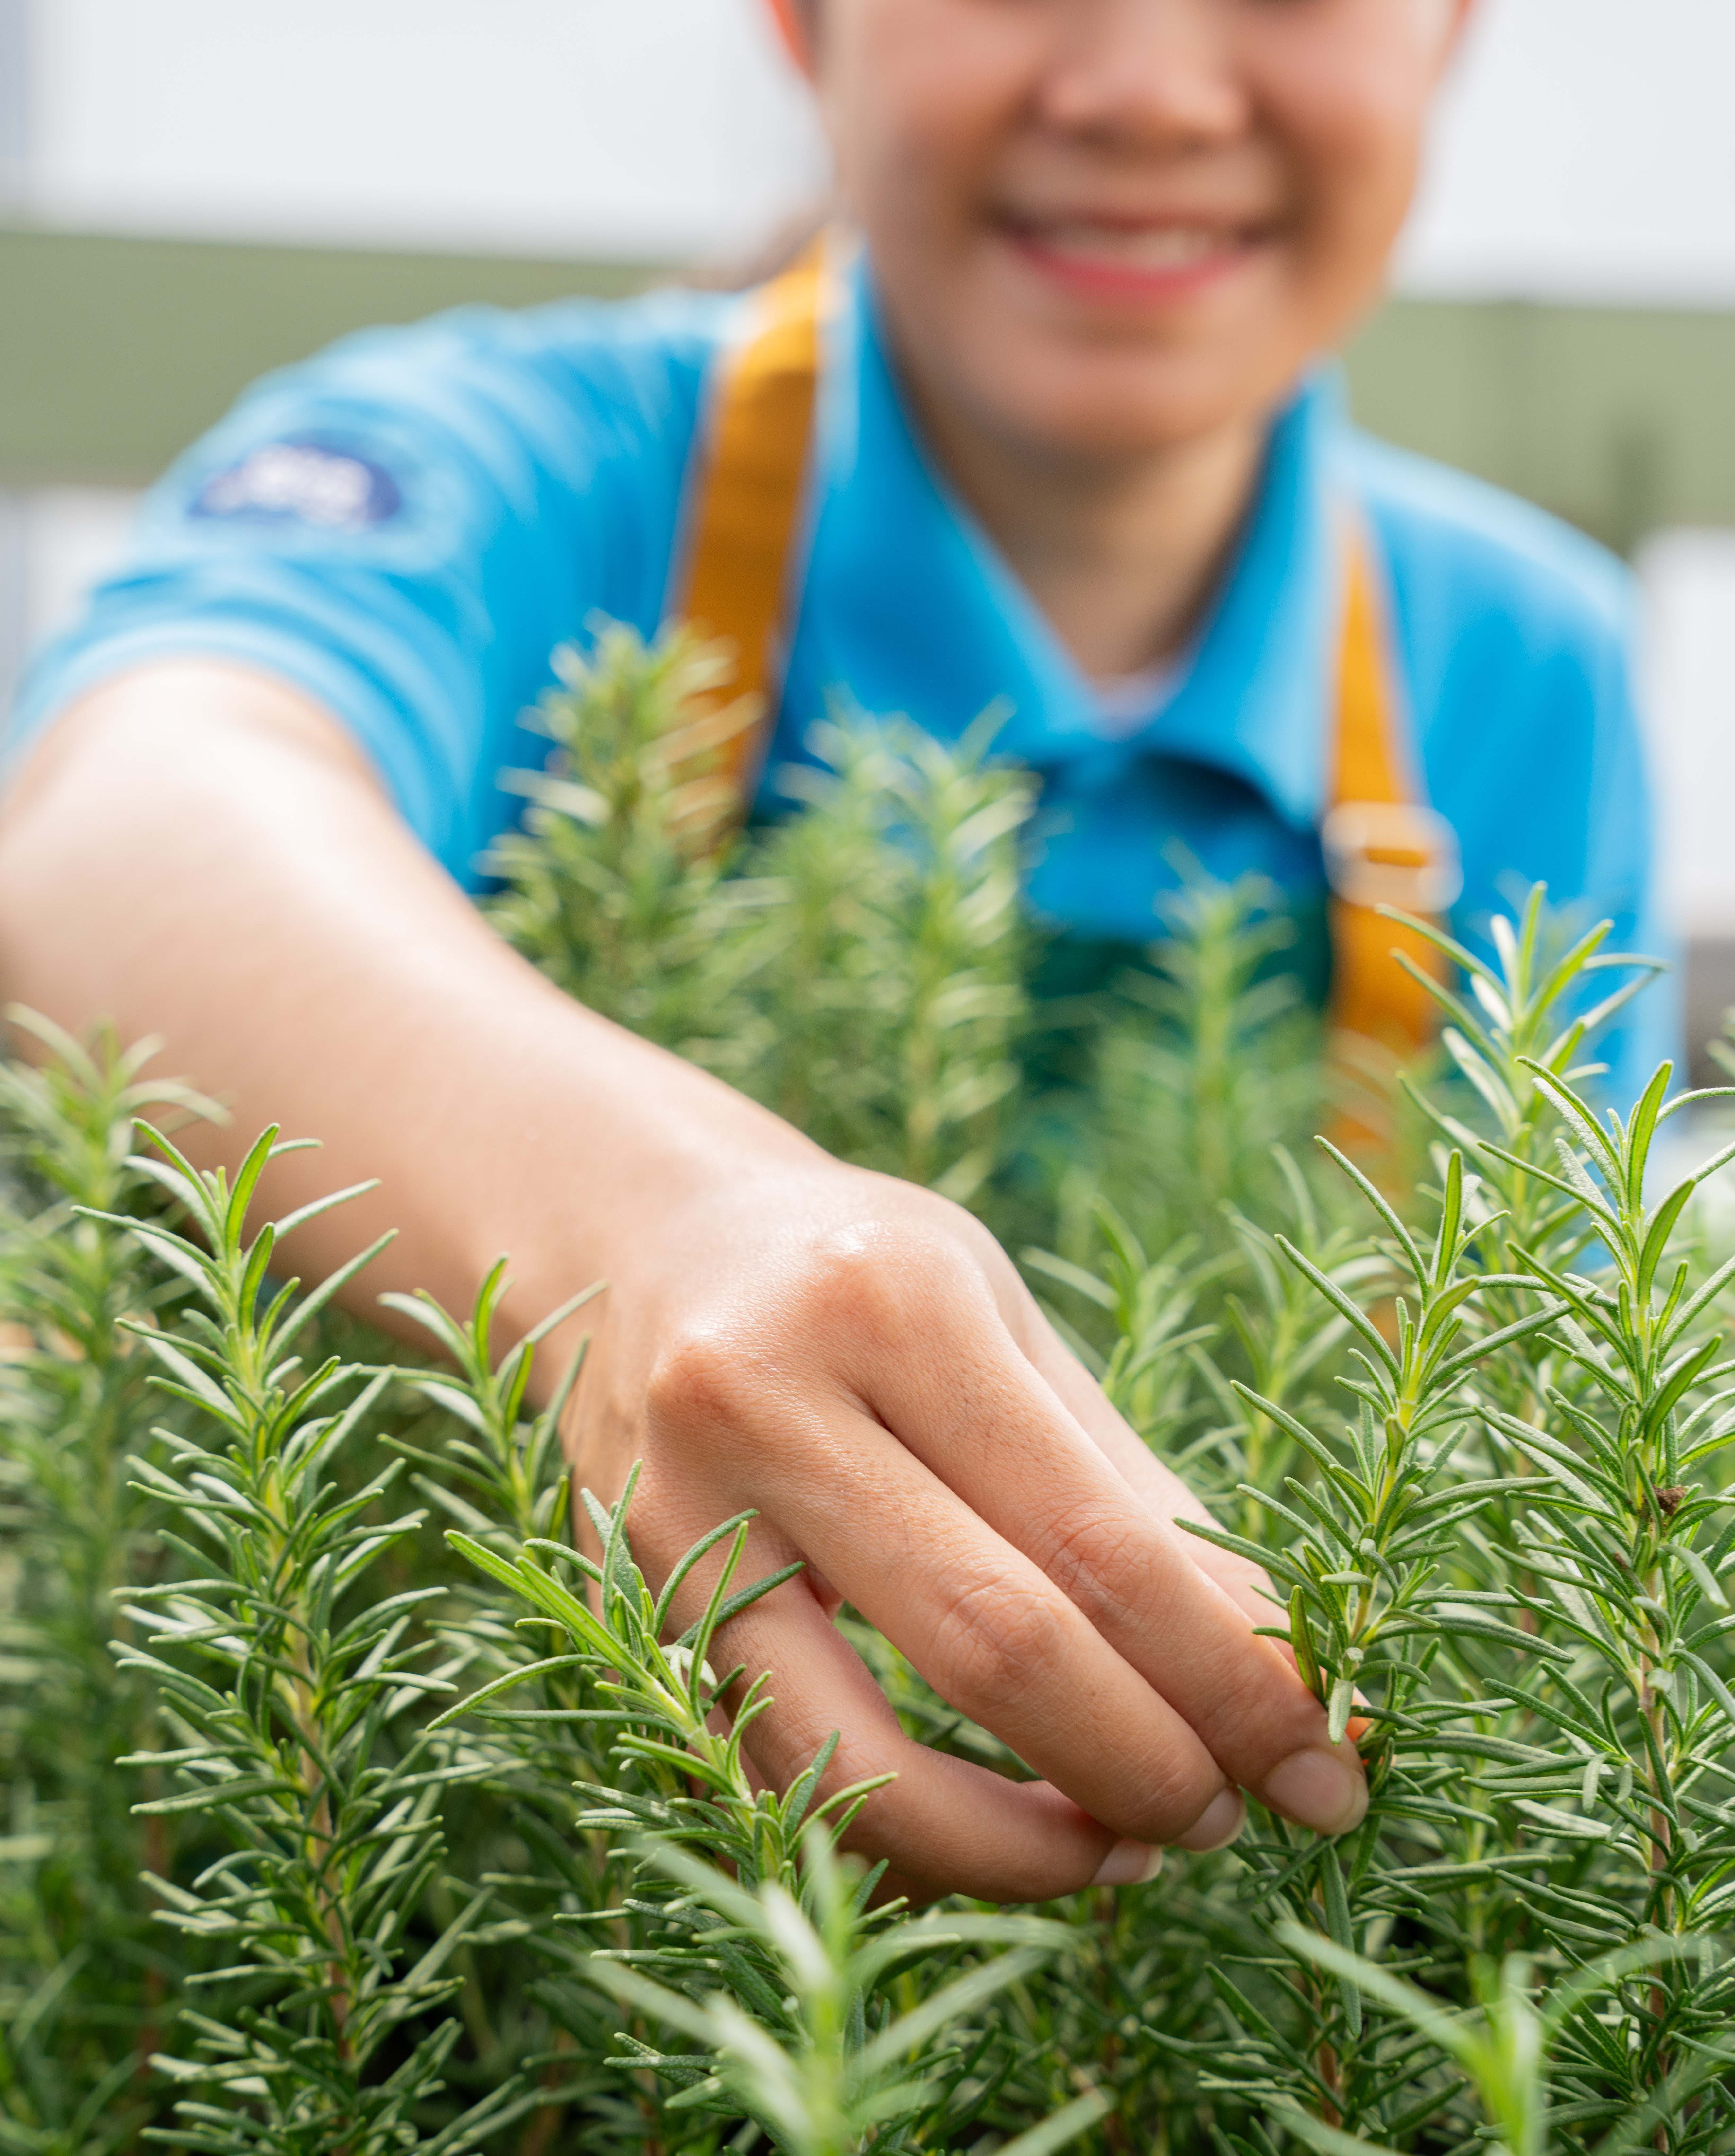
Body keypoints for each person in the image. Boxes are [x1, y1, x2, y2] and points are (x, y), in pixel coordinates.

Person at [0, 0, 1671, 1904]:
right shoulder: (519, 470)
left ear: (1447, 36)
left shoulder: (1518, 660)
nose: (1146, 89)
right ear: (807, 24)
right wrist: (632, 1236)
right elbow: (122, 817)